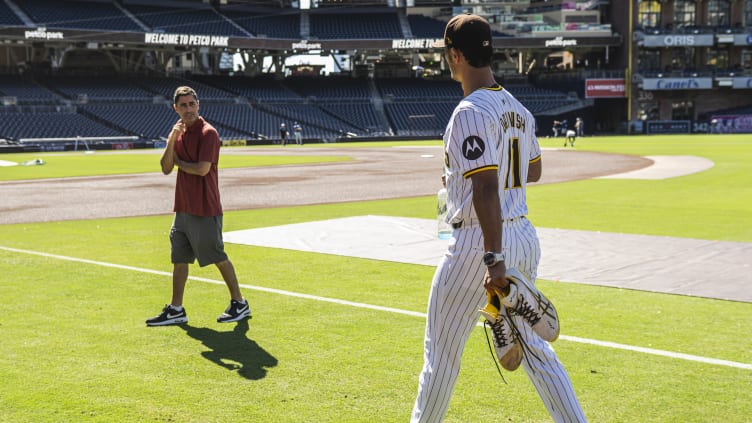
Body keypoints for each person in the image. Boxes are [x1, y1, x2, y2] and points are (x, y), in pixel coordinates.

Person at [411, 14, 587, 423]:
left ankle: (500, 297)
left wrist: (493, 259)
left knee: (441, 356)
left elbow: (486, 187)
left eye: (446, 54)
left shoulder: (469, 111)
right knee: (536, 352)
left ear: (456, 54)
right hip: (523, 232)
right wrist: (466, 175)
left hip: (481, 242)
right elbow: (535, 170)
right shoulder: (519, 109)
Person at [146, 86, 251, 326]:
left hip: (204, 207)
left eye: (191, 104)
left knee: (217, 255)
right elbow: (165, 167)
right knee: (179, 259)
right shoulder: (179, 133)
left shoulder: (208, 133)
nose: (188, 109)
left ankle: (239, 303)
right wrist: (172, 139)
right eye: (183, 105)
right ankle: (176, 309)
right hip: (183, 208)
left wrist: (179, 162)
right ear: (176, 108)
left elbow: (202, 169)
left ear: (198, 105)